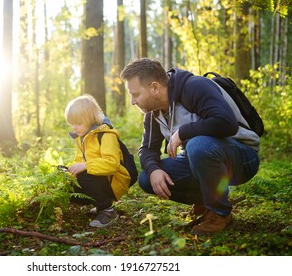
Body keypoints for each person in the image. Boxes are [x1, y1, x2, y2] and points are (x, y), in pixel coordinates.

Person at [120, 58, 260, 235]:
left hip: (242, 156)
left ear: (155, 88)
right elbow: (147, 150)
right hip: (202, 158)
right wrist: (153, 169)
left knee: (197, 145)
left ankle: (220, 213)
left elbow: (227, 122)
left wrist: (183, 132)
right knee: (147, 178)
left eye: (135, 94)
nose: (133, 101)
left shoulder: (194, 87)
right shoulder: (153, 114)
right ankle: (206, 200)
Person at [64, 94, 131, 228]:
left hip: (114, 180)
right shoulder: (81, 138)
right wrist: (69, 174)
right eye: (72, 124)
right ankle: (100, 205)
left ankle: (107, 211)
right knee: (69, 186)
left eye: (78, 123)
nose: (74, 128)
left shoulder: (106, 136)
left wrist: (85, 166)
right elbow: (79, 160)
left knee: (84, 174)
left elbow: (112, 164)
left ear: (90, 119)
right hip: (99, 177)